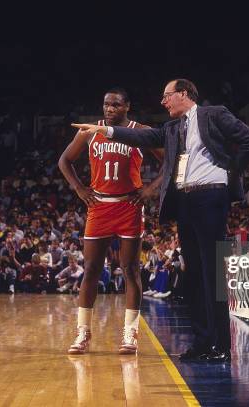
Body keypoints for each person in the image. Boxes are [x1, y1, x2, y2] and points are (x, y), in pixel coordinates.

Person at [72, 78, 249, 362]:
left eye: (167, 96)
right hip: (185, 201)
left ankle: (222, 346)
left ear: (183, 94)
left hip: (210, 196)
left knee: (212, 274)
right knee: (193, 274)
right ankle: (202, 342)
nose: (163, 102)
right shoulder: (173, 127)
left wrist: (229, 172)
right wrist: (106, 130)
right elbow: (145, 138)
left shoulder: (214, 114)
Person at [59, 88, 163, 355]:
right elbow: (65, 161)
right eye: (106, 104)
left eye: (116, 104)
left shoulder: (141, 131)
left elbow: (171, 162)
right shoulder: (90, 131)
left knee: (130, 270)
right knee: (91, 268)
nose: (110, 109)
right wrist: (80, 189)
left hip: (129, 205)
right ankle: (83, 332)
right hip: (99, 206)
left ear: (127, 106)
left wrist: (151, 189)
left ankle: (130, 333)